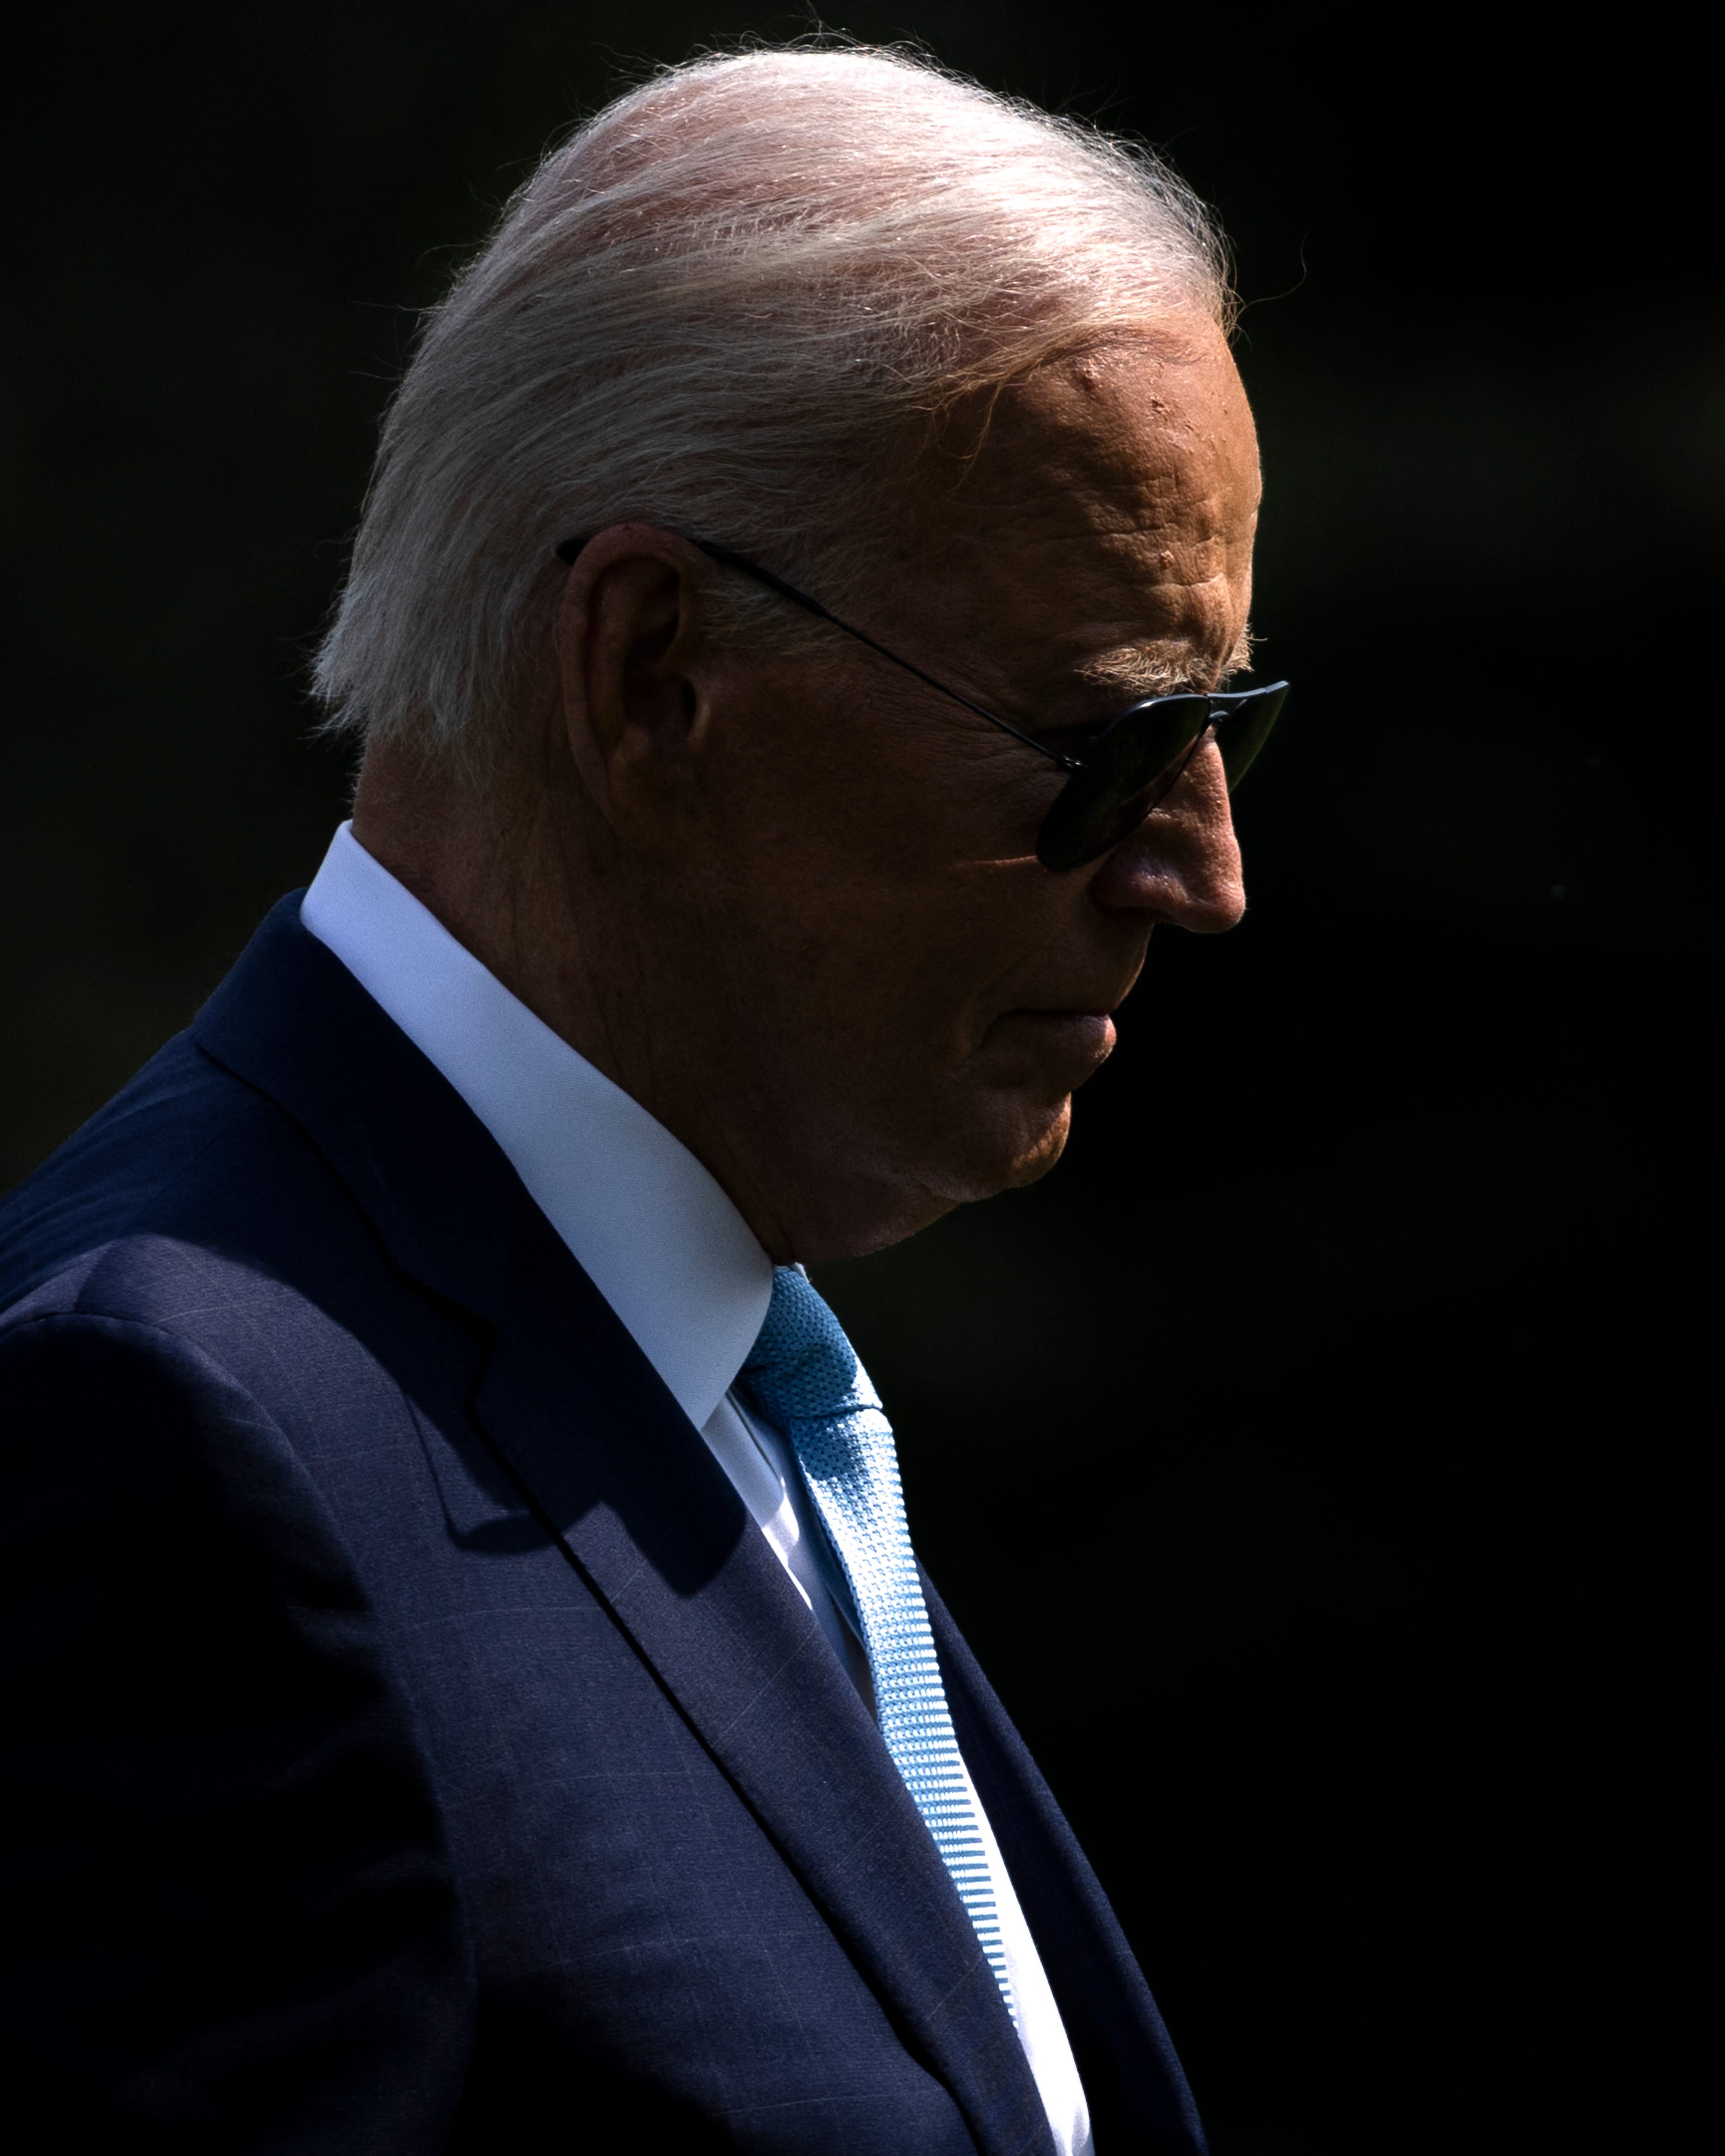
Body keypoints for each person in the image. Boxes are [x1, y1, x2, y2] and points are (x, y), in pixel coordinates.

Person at [0, 44, 1282, 2155]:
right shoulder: (178, 1443)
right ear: (653, 675)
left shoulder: (695, 1383)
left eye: (1224, 728)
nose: (1206, 875)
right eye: (1106, 743)